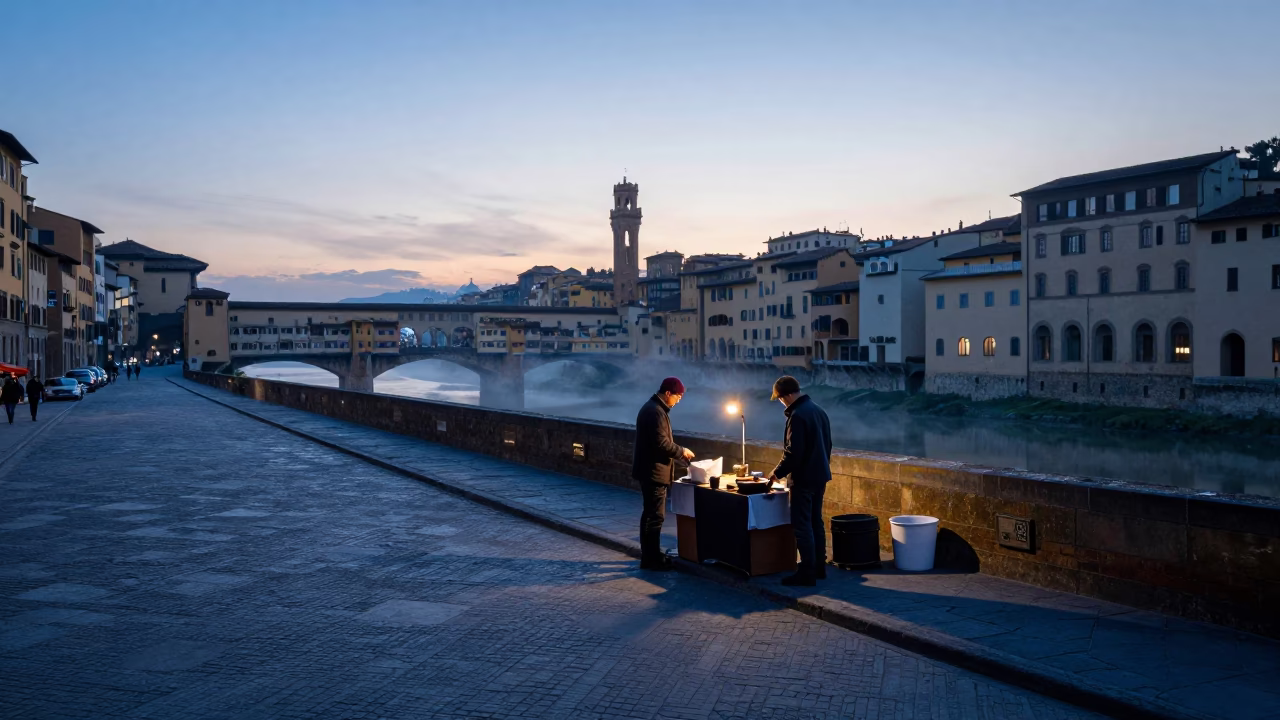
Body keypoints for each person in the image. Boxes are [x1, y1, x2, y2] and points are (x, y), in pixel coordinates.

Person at [767, 375, 833, 587]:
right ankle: (819, 567)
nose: (780, 402)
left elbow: (793, 452)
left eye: (779, 398)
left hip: (804, 478)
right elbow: (828, 445)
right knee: (816, 522)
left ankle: (806, 572)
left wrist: (777, 472)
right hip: (820, 475)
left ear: (786, 395)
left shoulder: (797, 415)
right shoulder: (818, 410)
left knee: (802, 524)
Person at [632, 376, 695, 571]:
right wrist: (681, 451)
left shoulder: (653, 408)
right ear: (668, 393)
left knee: (651, 515)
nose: (678, 401)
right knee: (654, 517)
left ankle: (651, 554)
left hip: (650, 471)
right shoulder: (655, 412)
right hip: (653, 472)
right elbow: (661, 444)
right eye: (677, 397)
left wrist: (677, 455)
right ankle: (651, 560)